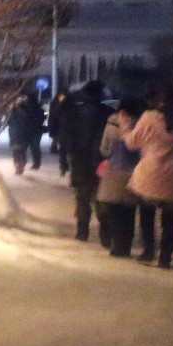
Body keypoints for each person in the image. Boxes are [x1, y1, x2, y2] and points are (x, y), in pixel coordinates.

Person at [125, 84, 173, 267]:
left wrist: (125, 127)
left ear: (157, 100)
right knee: (170, 222)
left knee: (147, 215)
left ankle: (148, 251)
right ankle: (165, 257)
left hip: (151, 175)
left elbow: (132, 143)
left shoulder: (148, 118)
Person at [63, 81, 110, 242]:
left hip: (80, 162)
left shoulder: (75, 114)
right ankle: (105, 233)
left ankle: (82, 231)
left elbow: (68, 139)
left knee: (82, 198)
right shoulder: (108, 113)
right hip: (102, 163)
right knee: (102, 198)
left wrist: (68, 159)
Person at [96, 99, 141, 256]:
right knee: (129, 213)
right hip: (135, 174)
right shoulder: (142, 126)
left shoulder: (111, 126)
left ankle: (117, 244)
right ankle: (126, 245)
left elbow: (105, 150)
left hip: (114, 173)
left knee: (114, 211)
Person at [7, 89, 45, 172]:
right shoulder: (33, 108)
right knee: (28, 148)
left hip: (18, 132)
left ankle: (19, 165)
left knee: (18, 149)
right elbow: (41, 118)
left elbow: (9, 122)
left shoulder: (15, 110)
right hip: (28, 131)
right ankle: (25, 164)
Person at [47, 91, 70, 175]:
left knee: (65, 149)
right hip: (61, 131)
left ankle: (64, 165)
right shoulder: (56, 106)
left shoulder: (68, 106)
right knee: (63, 149)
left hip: (66, 131)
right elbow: (52, 119)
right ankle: (63, 165)